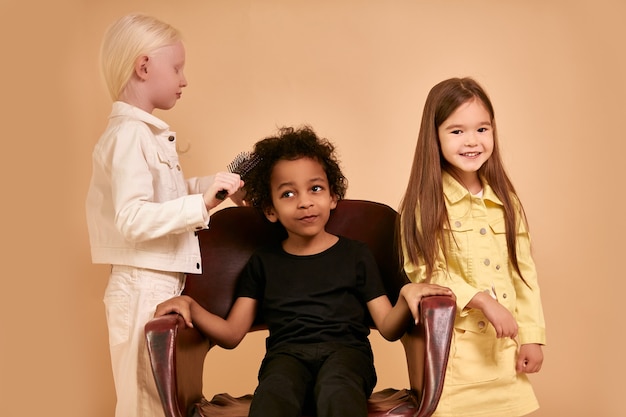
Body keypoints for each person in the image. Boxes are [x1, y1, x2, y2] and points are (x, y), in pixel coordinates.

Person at [155, 125, 453, 417]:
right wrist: (191, 306)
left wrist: (406, 293)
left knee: (336, 391)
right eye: (287, 194)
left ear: (333, 196)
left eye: (315, 189)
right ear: (269, 209)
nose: (305, 202)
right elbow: (232, 334)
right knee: (273, 397)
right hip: (285, 358)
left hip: (347, 355)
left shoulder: (356, 255)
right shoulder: (264, 262)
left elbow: (388, 326)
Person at [85, 13, 244, 417]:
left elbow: (164, 196)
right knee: (145, 404)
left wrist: (211, 188)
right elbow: (132, 219)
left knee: (163, 401)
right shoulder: (128, 136)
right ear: (143, 67)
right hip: (141, 287)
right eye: (176, 68)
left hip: (159, 285)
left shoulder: (147, 134)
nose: (184, 79)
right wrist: (202, 205)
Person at [398, 77, 546, 416]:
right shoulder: (425, 204)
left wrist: (533, 336)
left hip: (505, 358)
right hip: (456, 362)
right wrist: (482, 301)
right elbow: (424, 271)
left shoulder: (505, 202)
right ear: (434, 136)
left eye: (482, 129)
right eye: (456, 131)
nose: (472, 141)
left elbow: (523, 271)